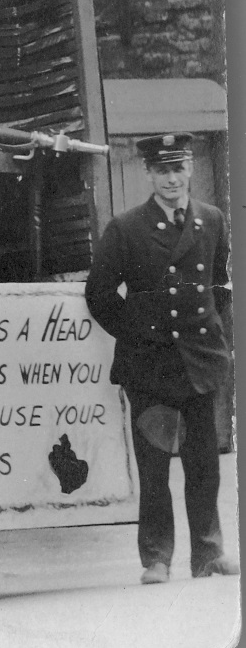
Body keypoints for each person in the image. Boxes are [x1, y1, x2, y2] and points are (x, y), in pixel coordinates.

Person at [85, 132, 238, 584]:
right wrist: (139, 335)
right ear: (149, 174)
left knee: (203, 464)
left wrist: (218, 341)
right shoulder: (126, 227)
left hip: (199, 362)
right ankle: (156, 558)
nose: (171, 179)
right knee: (154, 468)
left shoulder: (212, 220)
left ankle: (208, 554)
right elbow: (99, 294)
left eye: (178, 168)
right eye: (162, 170)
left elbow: (220, 287)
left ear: (190, 169)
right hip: (149, 365)